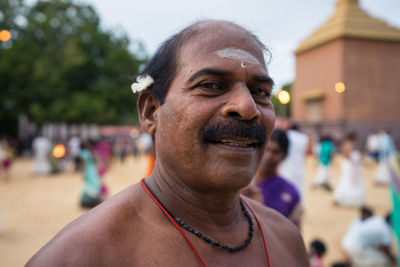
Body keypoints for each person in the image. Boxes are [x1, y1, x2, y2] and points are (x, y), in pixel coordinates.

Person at [26, 20, 309, 266]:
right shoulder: (79, 258)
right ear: (150, 111)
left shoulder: (286, 239)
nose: (248, 107)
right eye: (210, 85)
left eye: (260, 91)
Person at [249, 128, 302, 226]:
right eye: (266, 149)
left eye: (276, 152)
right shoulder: (243, 186)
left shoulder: (290, 192)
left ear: (284, 156)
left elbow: (295, 233)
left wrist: (261, 210)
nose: (268, 156)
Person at [333, 132, 366, 208]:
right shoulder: (349, 144)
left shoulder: (347, 143)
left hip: (349, 164)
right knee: (347, 179)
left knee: (346, 179)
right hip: (349, 164)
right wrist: (354, 159)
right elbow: (347, 155)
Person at [279, 123, 309, 197]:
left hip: (287, 162)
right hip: (299, 162)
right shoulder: (304, 137)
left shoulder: (287, 135)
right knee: (298, 182)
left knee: (286, 180)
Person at [79, 140, 102, 208]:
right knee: (93, 184)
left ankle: (89, 201)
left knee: (90, 185)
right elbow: (98, 163)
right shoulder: (92, 153)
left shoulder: (85, 153)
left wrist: (83, 173)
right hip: (92, 170)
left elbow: (83, 165)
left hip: (90, 171)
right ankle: (93, 201)